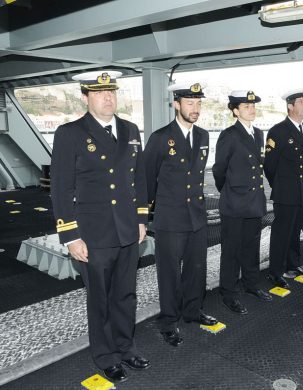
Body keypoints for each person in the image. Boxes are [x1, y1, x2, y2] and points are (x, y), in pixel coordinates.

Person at [50, 70, 150, 382]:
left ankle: (125, 346)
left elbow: (140, 179)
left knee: (126, 294)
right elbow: (61, 189)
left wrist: (141, 219)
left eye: (111, 92)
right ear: (86, 97)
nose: (108, 98)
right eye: (99, 93)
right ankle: (105, 355)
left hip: (127, 231)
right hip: (93, 235)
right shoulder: (70, 133)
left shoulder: (131, 129)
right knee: (101, 298)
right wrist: (70, 236)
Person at [144, 82, 218, 348]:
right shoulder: (161, 137)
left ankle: (192, 311)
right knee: (169, 274)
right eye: (190, 103)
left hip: (196, 215)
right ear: (176, 104)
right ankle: (168, 320)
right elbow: (146, 179)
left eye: (198, 103)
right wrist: (145, 216)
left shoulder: (204, 136)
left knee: (197, 269)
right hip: (170, 218)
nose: (195, 109)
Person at [212, 90, 272, 315]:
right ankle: (228, 293)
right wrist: (229, 191)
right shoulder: (229, 135)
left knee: (251, 247)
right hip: (235, 202)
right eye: (247, 107)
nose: (252, 109)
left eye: (253, 106)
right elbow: (219, 170)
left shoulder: (258, 133)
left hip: (254, 200)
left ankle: (251, 284)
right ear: (235, 111)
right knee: (232, 251)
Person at [264, 88, 303, 289]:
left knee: (296, 231)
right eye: (301, 101)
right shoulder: (278, 131)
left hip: (302, 191)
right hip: (285, 192)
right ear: (290, 106)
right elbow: (269, 165)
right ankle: (275, 271)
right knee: (281, 233)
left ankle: (294, 264)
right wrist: (279, 185)